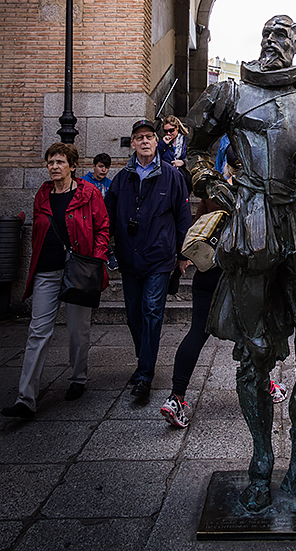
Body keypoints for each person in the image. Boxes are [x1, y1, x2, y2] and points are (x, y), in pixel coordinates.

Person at [184, 15, 296, 513]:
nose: (273, 41)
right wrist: (208, 182)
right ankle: (261, 462)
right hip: (254, 222)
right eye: (267, 33)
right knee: (254, 354)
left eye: (284, 34)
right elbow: (193, 148)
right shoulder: (229, 95)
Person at [160, 147, 287, 429]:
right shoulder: (258, 194)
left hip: (208, 273)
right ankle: (266, 385)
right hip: (242, 278)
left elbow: (199, 225)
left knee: (196, 333)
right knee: (254, 333)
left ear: (227, 164)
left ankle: (176, 397)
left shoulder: (213, 191)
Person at [1, 143, 109, 419]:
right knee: (38, 330)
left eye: (60, 162)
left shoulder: (88, 193)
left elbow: (103, 228)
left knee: (77, 329)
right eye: (50, 162)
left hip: (78, 269)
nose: (54, 166)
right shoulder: (43, 194)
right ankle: (26, 398)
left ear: (72, 166)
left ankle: (78, 378)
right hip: (46, 270)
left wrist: (95, 261)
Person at [105, 119, 192, 400]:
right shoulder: (121, 178)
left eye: (149, 137)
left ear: (157, 142)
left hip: (159, 257)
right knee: (133, 317)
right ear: (132, 143)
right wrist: (106, 249)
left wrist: (182, 254)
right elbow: (107, 216)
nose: (144, 141)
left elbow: (182, 216)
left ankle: (144, 376)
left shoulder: (171, 175)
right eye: (139, 137)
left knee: (152, 312)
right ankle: (145, 360)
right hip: (129, 258)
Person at [83, 153, 118, 270]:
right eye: (101, 166)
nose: (104, 170)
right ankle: (109, 253)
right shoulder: (83, 182)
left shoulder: (110, 183)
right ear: (93, 166)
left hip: (106, 218)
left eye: (107, 167)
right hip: (88, 217)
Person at [158, 115, 193, 194]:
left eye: (171, 130)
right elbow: (154, 156)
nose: (168, 133)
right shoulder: (163, 142)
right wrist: (163, 144)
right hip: (167, 178)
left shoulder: (187, 140)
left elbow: (194, 156)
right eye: (165, 131)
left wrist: (183, 162)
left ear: (177, 127)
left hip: (183, 178)